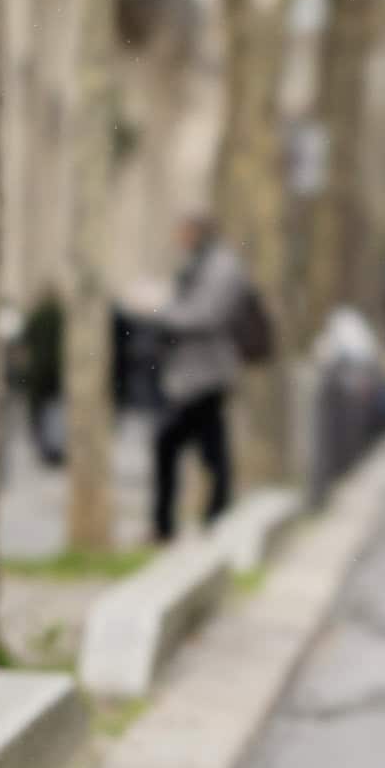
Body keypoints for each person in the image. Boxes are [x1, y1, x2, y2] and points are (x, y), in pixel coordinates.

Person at [152, 212, 248, 541]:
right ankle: (207, 516)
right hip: (190, 373)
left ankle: (194, 519)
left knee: (177, 442)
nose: (179, 239)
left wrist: (161, 312)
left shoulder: (221, 266)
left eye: (183, 232)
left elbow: (207, 314)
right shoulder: (198, 263)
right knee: (205, 445)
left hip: (207, 374)